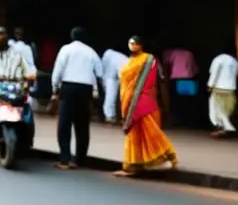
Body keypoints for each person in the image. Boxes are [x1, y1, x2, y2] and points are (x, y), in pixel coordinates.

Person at [115, 35, 177, 177]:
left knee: (151, 133)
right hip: (130, 101)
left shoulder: (150, 60)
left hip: (145, 102)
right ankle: (134, 166)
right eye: (131, 43)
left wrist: (165, 105)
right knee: (135, 136)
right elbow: (124, 84)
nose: (133, 45)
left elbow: (161, 81)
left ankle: (165, 158)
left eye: (135, 43)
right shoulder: (129, 62)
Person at [51, 27, 103, 169]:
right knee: (82, 126)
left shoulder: (66, 49)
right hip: (85, 89)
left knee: (64, 125)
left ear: (72, 36)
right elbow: (99, 72)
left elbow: (58, 70)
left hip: (68, 87)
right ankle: (80, 159)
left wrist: (54, 89)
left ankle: (65, 159)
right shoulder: (91, 52)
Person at [207, 43, 238, 138]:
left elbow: (214, 73)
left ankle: (223, 128)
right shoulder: (235, 61)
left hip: (218, 88)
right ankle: (225, 128)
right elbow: (235, 75)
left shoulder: (218, 59)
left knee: (215, 110)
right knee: (226, 110)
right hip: (230, 89)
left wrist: (210, 85)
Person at [101, 46, 129, 124]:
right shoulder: (123, 60)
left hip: (115, 73)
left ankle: (110, 116)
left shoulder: (112, 56)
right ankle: (111, 116)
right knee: (111, 95)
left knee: (111, 95)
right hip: (113, 73)